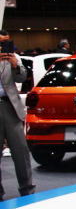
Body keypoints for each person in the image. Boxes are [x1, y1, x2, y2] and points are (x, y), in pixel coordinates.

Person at [0, 31, 35, 199]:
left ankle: (27, 190)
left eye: (6, 42)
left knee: (21, 151)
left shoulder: (14, 58)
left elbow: (22, 77)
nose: (3, 46)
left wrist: (15, 65)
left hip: (10, 107)